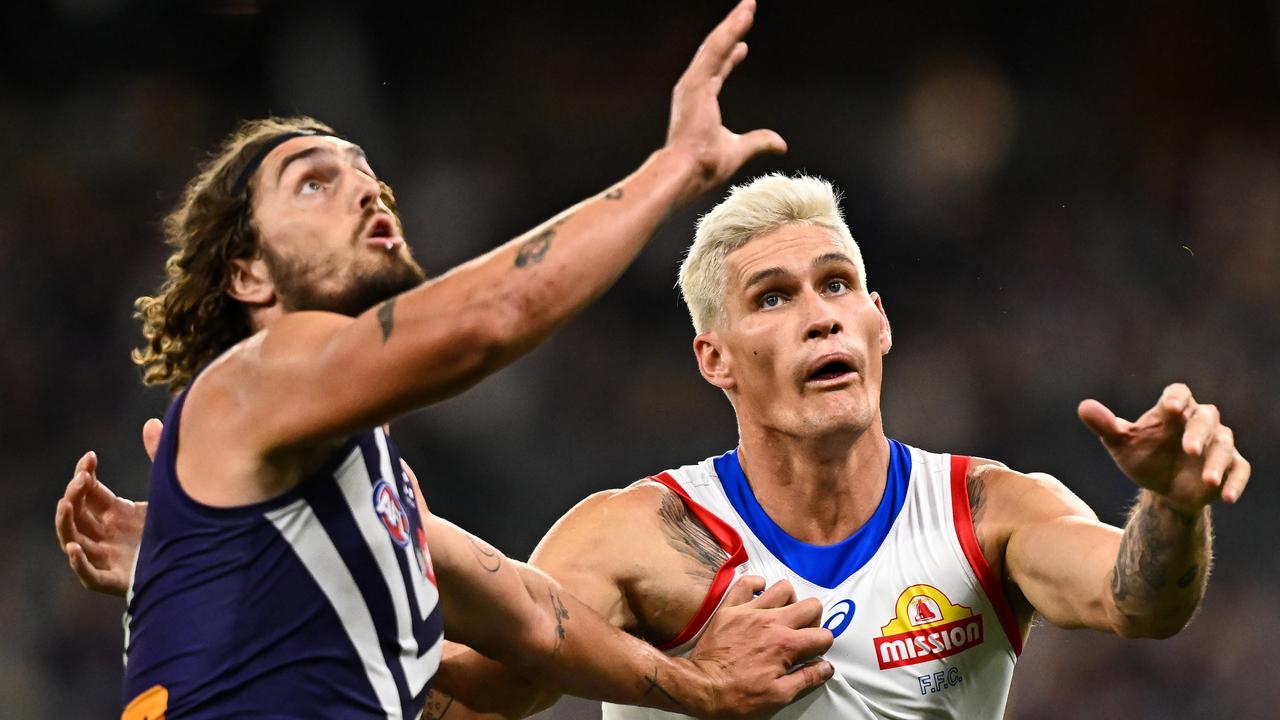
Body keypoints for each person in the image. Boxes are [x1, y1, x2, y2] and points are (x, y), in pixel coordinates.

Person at [59, 176, 1251, 715]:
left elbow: (1140, 603)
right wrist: (232, 560)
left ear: (878, 323)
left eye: (839, 284)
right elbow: (465, 695)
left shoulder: (986, 511)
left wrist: (1176, 505)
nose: (822, 311)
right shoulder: (630, 537)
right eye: (774, 296)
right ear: (714, 358)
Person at [53, 3, 841, 718]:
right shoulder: (249, 381)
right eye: (315, 185)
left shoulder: (370, 488)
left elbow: (536, 622)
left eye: (370, 177)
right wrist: (672, 171)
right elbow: (492, 318)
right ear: (246, 274)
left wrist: (701, 685)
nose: (367, 193)